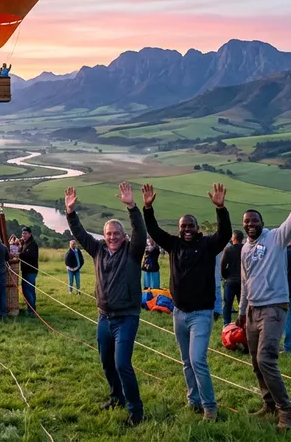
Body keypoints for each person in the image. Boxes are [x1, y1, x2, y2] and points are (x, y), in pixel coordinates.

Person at [142, 182, 231, 421]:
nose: (187, 229)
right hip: (179, 314)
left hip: (201, 314)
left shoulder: (208, 245)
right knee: (185, 361)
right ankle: (193, 399)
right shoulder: (174, 245)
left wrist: (221, 209)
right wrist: (148, 208)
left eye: (190, 225)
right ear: (179, 229)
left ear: (197, 228)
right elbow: (154, 230)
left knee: (197, 360)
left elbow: (224, 234)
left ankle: (209, 406)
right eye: (183, 226)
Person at [66, 183, 146, 426]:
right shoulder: (98, 249)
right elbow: (80, 234)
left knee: (123, 363)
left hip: (126, 317)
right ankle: (116, 397)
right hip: (104, 317)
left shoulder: (133, 252)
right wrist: (70, 213)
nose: (112, 237)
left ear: (123, 237)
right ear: (104, 236)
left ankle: (136, 411)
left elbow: (140, 232)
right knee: (106, 362)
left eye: (116, 234)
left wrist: (132, 207)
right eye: (109, 233)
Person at [236, 182, 291, 431]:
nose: (250, 224)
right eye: (247, 221)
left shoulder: (276, 238)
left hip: (274, 307)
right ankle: (268, 403)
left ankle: (286, 412)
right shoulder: (245, 248)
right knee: (255, 362)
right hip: (252, 310)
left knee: (266, 358)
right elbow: (245, 282)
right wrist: (241, 311)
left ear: (261, 222)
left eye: (254, 220)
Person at [220, 230, 244, 325]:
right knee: (242, 305)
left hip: (230, 281)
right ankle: (242, 325)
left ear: (233, 238)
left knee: (227, 305)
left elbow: (223, 266)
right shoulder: (245, 249)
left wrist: (226, 276)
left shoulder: (228, 250)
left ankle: (226, 325)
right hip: (242, 281)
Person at [19, 226, 39, 316]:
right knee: (29, 290)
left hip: (31, 270)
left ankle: (31, 311)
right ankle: (31, 308)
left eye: (25, 233)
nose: (23, 235)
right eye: (23, 233)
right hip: (26, 270)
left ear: (30, 234)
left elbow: (30, 256)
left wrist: (19, 255)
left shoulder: (32, 244)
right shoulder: (25, 243)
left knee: (28, 290)